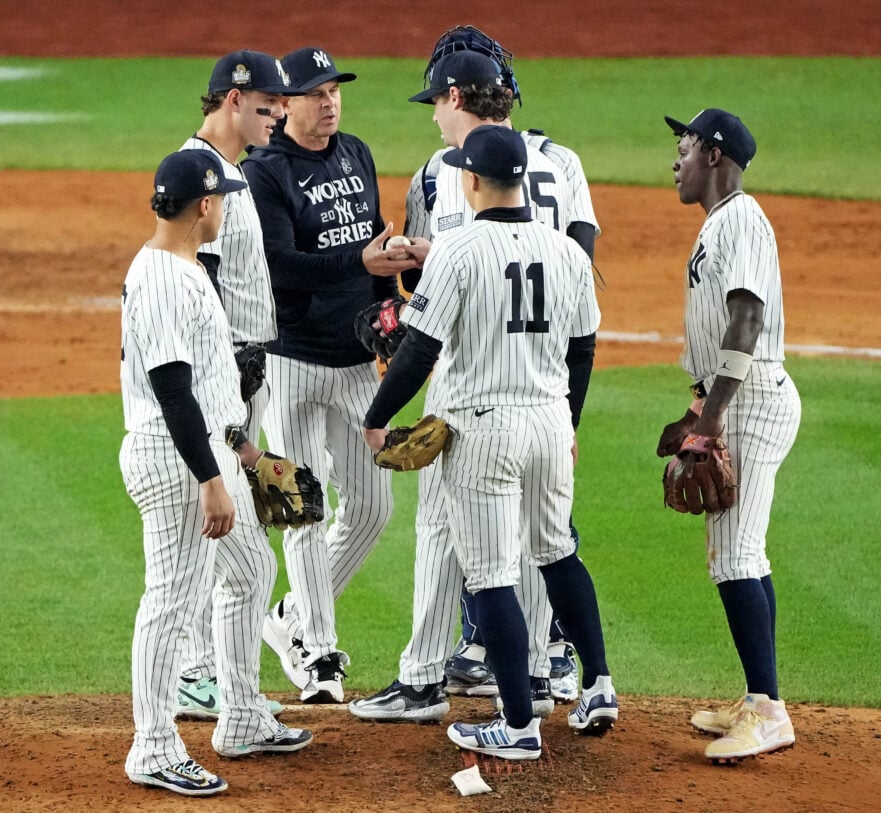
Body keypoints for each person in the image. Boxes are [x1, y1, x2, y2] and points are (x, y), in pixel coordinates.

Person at [349, 35, 596, 724]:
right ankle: (548, 666)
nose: (432, 114)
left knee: (443, 526)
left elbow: (423, 298)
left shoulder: (437, 171)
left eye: (435, 100)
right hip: (545, 383)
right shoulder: (564, 161)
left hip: (467, 382)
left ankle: (425, 676)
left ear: (454, 97)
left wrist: (426, 266)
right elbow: (583, 271)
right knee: (547, 531)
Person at [119, 149, 312, 798]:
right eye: (222, 199)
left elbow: (208, 387)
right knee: (170, 601)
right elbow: (173, 389)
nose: (227, 207)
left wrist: (247, 457)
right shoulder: (167, 278)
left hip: (205, 451)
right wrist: (210, 478)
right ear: (203, 205)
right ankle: (153, 746)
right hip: (177, 459)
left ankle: (242, 715)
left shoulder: (182, 268)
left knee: (252, 568)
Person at [242, 46, 417, 704]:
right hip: (289, 359)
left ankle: (290, 616)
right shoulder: (264, 172)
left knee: (374, 506)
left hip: (353, 359)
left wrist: (391, 299)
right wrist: (360, 263)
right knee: (304, 507)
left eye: (335, 89)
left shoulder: (357, 154)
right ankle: (318, 651)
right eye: (314, 92)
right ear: (284, 103)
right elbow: (282, 266)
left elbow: (372, 240)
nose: (329, 101)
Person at [657, 108, 801, 763]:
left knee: (736, 557)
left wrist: (711, 424)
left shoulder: (740, 218)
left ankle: (769, 712)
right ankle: (757, 695)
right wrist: (697, 409)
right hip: (735, 397)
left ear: (713, 154)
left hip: (750, 399)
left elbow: (745, 320)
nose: (675, 159)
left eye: (683, 146)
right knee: (740, 552)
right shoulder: (721, 224)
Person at [174, 49, 302, 723]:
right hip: (224, 379)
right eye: (266, 106)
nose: (279, 115)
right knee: (220, 530)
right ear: (231, 101)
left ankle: (206, 674)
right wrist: (226, 363)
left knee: (233, 525)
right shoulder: (203, 174)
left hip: (243, 376)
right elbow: (203, 284)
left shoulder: (231, 171)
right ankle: (197, 674)